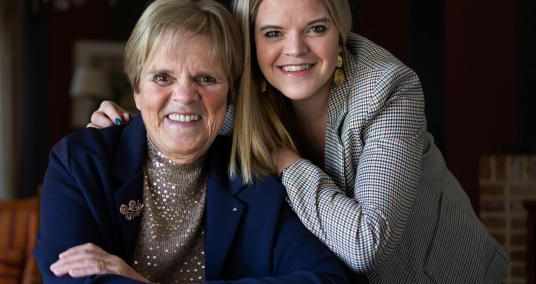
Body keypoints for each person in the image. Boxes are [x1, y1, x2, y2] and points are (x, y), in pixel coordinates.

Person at [87, 0, 508, 282]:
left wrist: (284, 159)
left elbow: (367, 244)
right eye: (272, 33)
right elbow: (183, 118)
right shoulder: (244, 92)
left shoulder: (387, 89)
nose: (295, 50)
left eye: (316, 28)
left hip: (437, 274)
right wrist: (124, 127)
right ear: (250, 39)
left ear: (339, 31)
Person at [34, 0, 349, 283]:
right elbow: (69, 278)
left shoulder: (256, 179)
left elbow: (325, 280)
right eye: (162, 78)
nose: (184, 96)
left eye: (206, 79)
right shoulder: (79, 163)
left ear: (229, 95)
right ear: (137, 91)